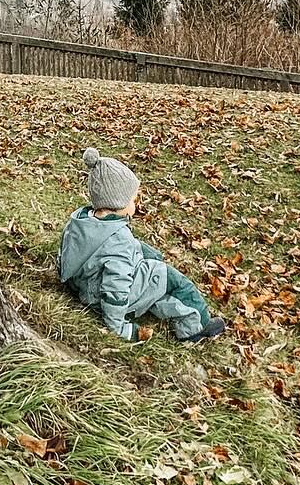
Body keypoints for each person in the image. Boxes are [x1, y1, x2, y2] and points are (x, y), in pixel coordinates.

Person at [58, 147, 226, 344]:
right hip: (98, 296)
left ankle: (158, 299)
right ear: (118, 202)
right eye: (133, 198)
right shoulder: (119, 242)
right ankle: (195, 326)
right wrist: (120, 328)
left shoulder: (82, 221)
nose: (135, 203)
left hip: (84, 284)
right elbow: (116, 288)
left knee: (151, 259)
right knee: (174, 280)